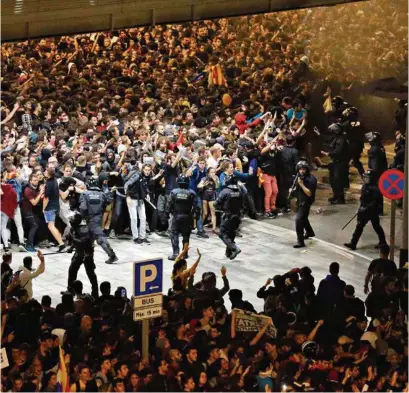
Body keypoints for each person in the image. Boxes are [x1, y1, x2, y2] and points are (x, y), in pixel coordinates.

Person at [344, 169, 387, 251]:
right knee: (359, 226)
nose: (366, 179)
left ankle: (383, 242)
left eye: (368, 178)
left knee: (376, 227)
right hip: (364, 210)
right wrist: (361, 208)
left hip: (372, 211)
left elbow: (376, 201)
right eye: (365, 177)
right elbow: (362, 198)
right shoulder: (365, 186)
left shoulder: (376, 189)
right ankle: (353, 243)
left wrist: (367, 207)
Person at [79, 177, 118, 264]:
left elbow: (83, 207)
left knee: (100, 238)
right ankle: (87, 255)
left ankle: (112, 255)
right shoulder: (101, 194)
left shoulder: (85, 194)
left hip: (90, 218)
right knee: (89, 236)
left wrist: (83, 216)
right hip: (98, 217)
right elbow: (108, 202)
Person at [62, 213, 98, 298]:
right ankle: (70, 290)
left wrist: (72, 239)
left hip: (87, 254)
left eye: (72, 220)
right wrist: (71, 248)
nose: (70, 221)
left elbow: (83, 242)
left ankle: (95, 293)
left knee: (90, 274)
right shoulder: (73, 228)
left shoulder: (84, 229)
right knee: (72, 270)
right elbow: (75, 240)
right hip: (78, 253)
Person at [214, 175, 246, 260]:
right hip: (237, 217)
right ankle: (229, 252)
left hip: (227, 216)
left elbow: (216, 204)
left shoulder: (225, 191)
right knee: (231, 234)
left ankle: (234, 248)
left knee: (222, 233)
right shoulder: (240, 191)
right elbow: (243, 204)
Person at [167, 175, 198, 261]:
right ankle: (185, 253)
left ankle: (176, 253)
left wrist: (170, 213)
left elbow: (169, 205)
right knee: (186, 235)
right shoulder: (192, 192)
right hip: (187, 216)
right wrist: (193, 216)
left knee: (174, 234)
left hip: (177, 216)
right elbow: (196, 207)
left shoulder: (174, 192)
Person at [289, 160, 317, 248]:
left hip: (306, 201)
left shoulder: (312, 179)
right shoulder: (298, 177)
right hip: (299, 200)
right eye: (300, 169)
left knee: (298, 220)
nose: (302, 171)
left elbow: (309, 193)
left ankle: (300, 242)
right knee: (303, 217)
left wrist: (301, 184)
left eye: (303, 169)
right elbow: (297, 189)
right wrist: (292, 191)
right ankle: (309, 232)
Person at [321, 123, 349, 204]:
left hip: (340, 163)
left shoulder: (341, 140)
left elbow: (338, 151)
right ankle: (336, 196)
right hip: (335, 162)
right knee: (333, 180)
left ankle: (340, 199)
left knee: (338, 181)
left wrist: (328, 153)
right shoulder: (337, 138)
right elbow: (329, 142)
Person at [124, 165, 150, 244]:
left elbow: (144, 186)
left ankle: (142, 237)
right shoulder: (137, 175)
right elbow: (126, 185)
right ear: (143, 169)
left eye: (149, 170)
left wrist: (147, 193)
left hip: (140, 199)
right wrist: (127, 196)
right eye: (146, 170)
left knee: (143, 218)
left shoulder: (146, 177)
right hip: (132, 199)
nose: (147, 172)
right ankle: (135, 237)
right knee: (134, 218)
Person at [43, 167, 66, 252]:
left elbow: (46, 198)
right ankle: (61, 243)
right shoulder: (55, 180)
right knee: (53, 226)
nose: (44, 172)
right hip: (56, 206)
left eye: (46, 171)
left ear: (48, 174)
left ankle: (61, 244)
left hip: (50, 207)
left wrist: (43, 208)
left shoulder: (49, 183)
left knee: (51, 226)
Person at [21, 173, 45, 252]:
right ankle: (29, 245)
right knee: (34, 226)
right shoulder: (28, 190)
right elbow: (34, 202)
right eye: (34, 180)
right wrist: (40, 193)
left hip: (32, 211)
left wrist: (40, 193)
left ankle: (32, 242)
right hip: (27, 211)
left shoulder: (34, 188)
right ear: (30, 181)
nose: (36, 182)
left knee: (36, 224)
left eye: (37, 180)